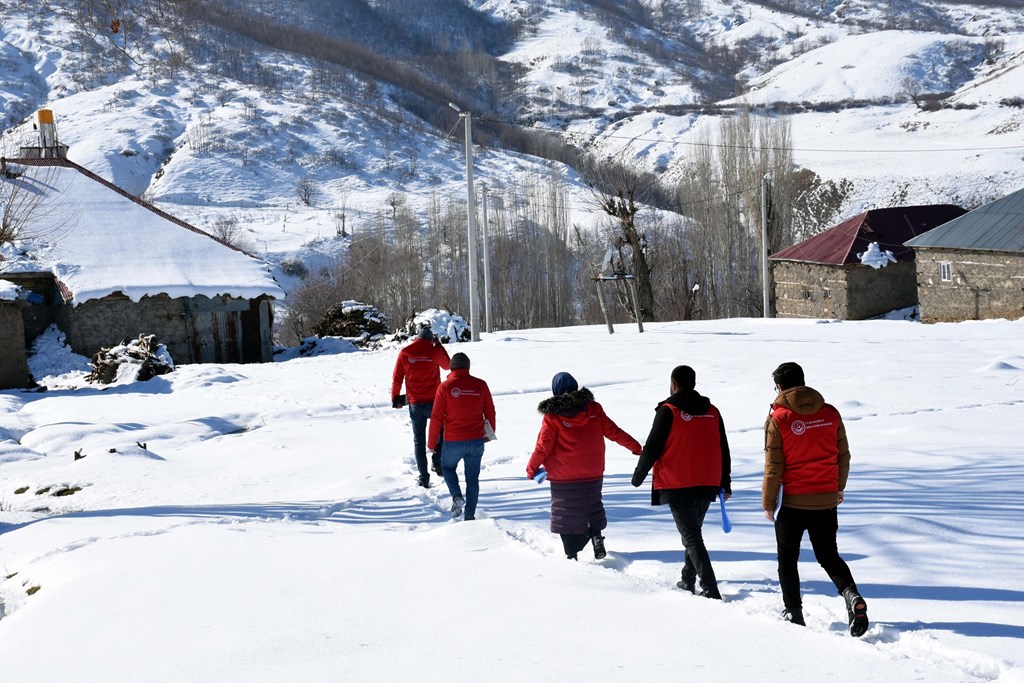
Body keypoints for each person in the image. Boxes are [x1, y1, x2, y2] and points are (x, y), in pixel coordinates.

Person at [762, 361, 869, 637]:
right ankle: (851, 594)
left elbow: (774, 466)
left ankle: (793, 612)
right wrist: (838, 487)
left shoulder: (779, 419)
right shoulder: (830, 413)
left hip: (792, 503)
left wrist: (768, 502)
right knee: (829, 555)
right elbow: (843, 455)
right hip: (825, 500)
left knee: (788, 559)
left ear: (780, 387)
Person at [632, 365, 731, 599]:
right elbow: (723, 448)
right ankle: (688, 579)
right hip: (707, 482)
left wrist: (638, 476)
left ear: (673, 385)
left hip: (678, 483)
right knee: (693, 533)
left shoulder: (669, 411)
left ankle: (710, 588)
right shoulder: (712, 411)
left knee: (692, 537)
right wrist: (725, 482)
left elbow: (652, 447)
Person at [526, 372, 642, 561]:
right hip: (592, 470)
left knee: (566, 513)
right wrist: (636, 448)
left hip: (563, 475)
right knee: (592, 505)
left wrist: (531, 469)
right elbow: (614, 432)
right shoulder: (593, 409)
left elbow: (543, 447)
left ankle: (572, 553)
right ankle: (596, 535)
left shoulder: (552, 416)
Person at [428, 352, 495, 521]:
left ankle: (457, 496)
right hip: (476, 440)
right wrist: (489, 433)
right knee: (472, 479)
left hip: (453, 441)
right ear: (468, 367)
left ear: (451, 368)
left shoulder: (445, 387)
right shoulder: (481, 385)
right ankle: (470, 516)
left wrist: (431, 443)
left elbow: (436, 418)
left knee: (447, 467)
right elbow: (490, 411)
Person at [391, 326, 450, 488]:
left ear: (417, 338)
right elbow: (447, 365)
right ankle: (437, 462)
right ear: (430, 339)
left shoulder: (405, 352)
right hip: (434, 403)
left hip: (415, 403)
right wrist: (438, 345)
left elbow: (397, 377)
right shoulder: (433, 350)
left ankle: (424, 478)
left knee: (419, 441)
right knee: (441, 431)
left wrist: (395, 398)